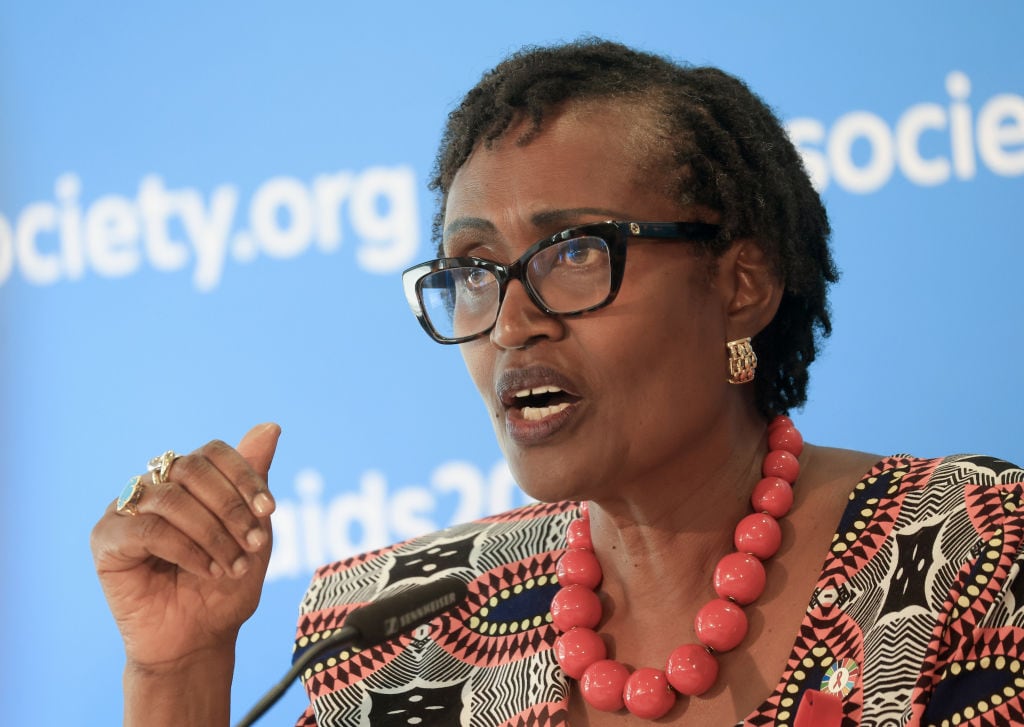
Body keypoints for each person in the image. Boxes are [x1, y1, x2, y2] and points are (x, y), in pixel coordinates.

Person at [91, 39, 1024, 727]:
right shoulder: (389, 631)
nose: (511, 318)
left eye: (575, 251)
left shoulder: (971, 556)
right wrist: (180, 670)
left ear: (741, 286)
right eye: (472, 267)